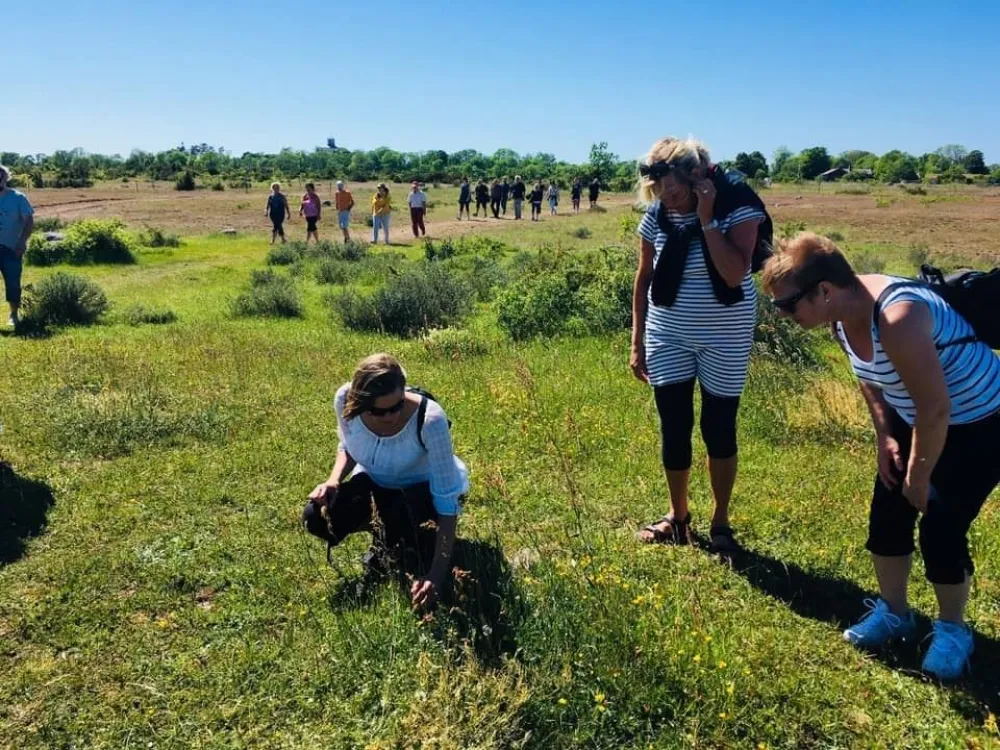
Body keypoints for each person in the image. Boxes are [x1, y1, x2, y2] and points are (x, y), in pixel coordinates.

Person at [762, 232, 1000, 681]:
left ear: (825, 291)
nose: (783, 315)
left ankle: (953, 630)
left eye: (787, 305)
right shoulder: (839, 317)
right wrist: (886, 437)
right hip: (918, 417)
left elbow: (936, 409)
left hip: (982, 422)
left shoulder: (898, 316)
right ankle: (895, 614)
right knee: (887, 513)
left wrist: (918, 472)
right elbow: (871, 377)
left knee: (941, 523)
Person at [632, 137, 766, 554]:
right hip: (667, 332)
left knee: (719, 428)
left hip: (724, 335)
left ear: (697, 177)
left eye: (673, 189)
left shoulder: (737, 207)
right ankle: (678, 516)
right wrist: (636, 339)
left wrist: (707, 219)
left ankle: (721, 520)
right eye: (658, 192)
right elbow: (644, 277)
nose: (666, 199)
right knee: (674, 427)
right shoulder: (657, 215)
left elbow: (732, 274)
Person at [303, 353, 469, 610]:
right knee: (315, 515)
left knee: (405, 530)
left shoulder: (430, 420)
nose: (391, 416)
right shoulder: (344, 400)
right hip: (374, 484)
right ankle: (389, 542)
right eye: (380, 411)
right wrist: (334, 481)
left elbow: (448, 502)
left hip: (421, 493)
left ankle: (397, 544)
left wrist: (436, 576)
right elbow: (348, 445)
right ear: (359, 403)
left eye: (398, 405)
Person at [0, 165, 34, 329]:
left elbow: (28, 221)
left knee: (13, 283)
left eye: (1, 176)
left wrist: (21, 242)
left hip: (11, 248)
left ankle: (13, 314)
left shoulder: (18, 198)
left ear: (6, 178)